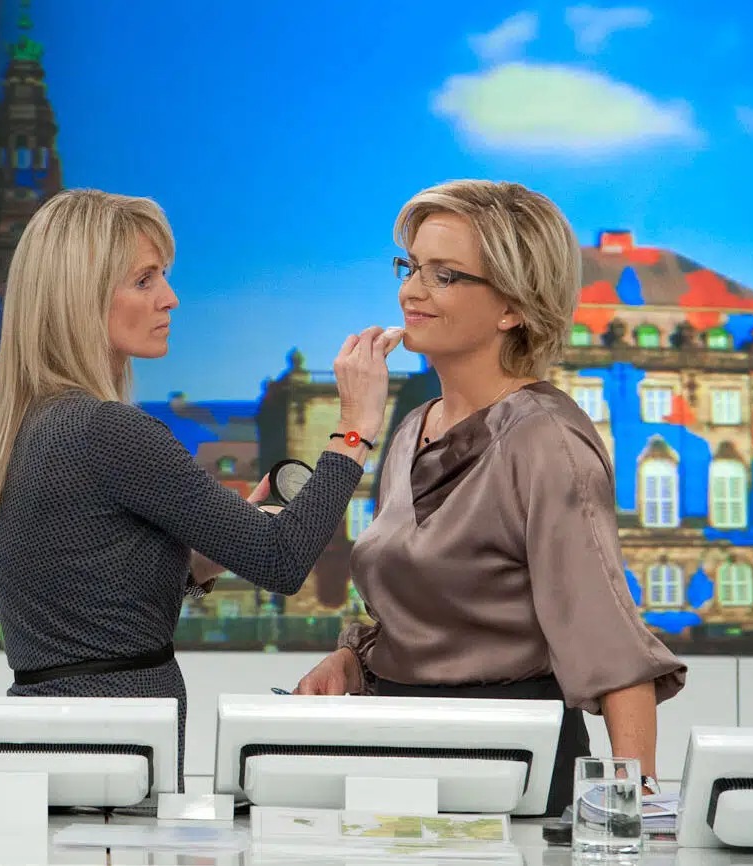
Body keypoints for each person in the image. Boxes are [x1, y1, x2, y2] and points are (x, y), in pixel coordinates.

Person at [0, 188, 401, 781]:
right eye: (144, 280)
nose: (170, 298)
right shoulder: (108, 430)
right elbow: (282, 560)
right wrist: (355, 428)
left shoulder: (30, 427)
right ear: (81, 297)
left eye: (163, 277)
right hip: (112, 748)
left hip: (59, 740)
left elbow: (92, 605)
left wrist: (199, 562)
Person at [293, 179, 686, 816]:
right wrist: (351, 660)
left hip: (512, 763)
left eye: (444, 275)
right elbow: (425, 609)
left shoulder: (545, 437)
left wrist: (632, 811)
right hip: (392, 753)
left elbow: (610, 641)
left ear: (513, 307)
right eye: (411, 268)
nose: (411, 291)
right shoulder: (411, 429)